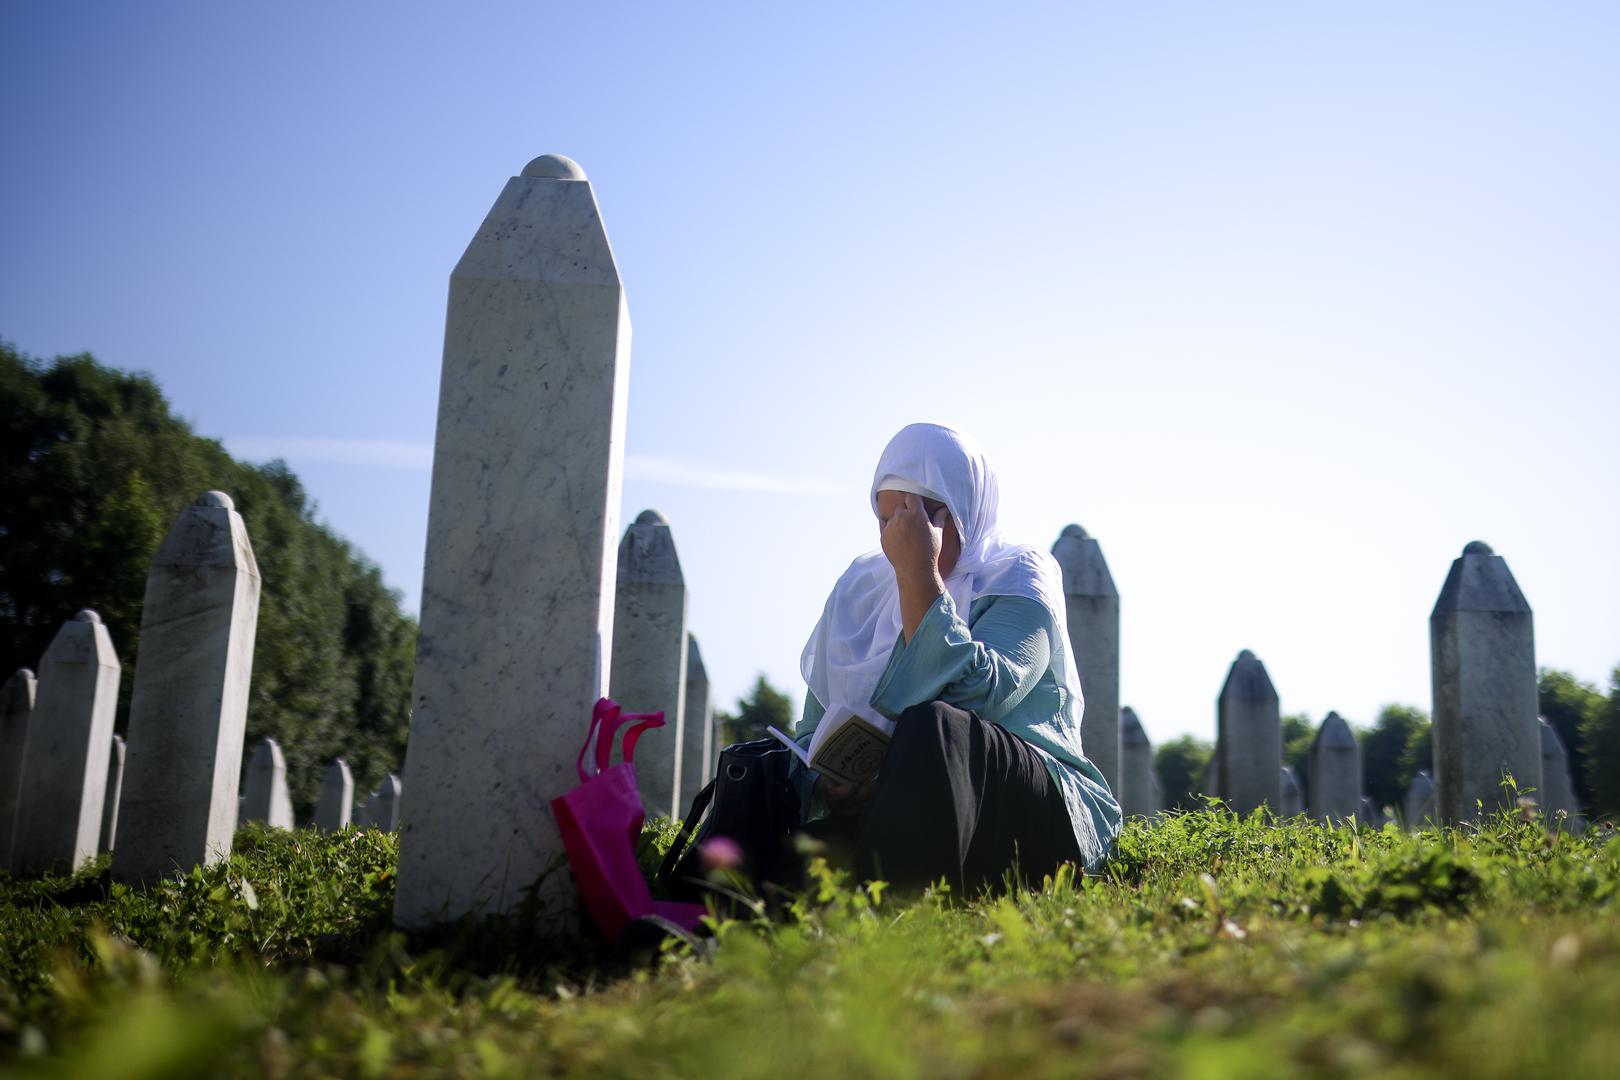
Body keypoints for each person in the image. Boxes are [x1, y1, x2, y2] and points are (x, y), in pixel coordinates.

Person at [793, 422, 1121, 892]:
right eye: (887, 521)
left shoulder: (1020, 574)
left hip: (1030, 810)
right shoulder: (860, 591)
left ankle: (895, 914)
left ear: (962, 511)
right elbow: (811, 730)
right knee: (760, 769)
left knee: (935, 726)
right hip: (905, 809)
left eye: (918, 519)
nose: (898, 537)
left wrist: (917, 576)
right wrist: (826, 784)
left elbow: (980, 693)